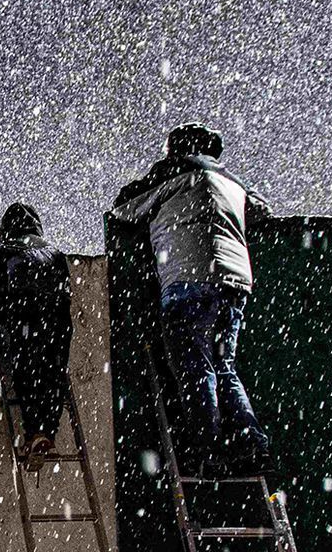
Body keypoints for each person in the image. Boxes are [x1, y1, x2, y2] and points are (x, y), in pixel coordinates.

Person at [111, 124, 272, 475]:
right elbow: (261, 210)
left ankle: (208, 448)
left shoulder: (170, 174)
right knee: (223, 364)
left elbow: (124, 208)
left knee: (196, 368)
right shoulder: (231, 181)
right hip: (235, 281)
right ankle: (254, 445)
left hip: (188, 279)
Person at [0, 202, 74, 464]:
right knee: (54, 375)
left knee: (27, 373)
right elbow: (66, 294)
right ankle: (48, 433)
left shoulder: (4, 251)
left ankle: (35, 433)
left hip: (27, 321)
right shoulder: (55, 253)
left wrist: (6, 323)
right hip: (58, 324)